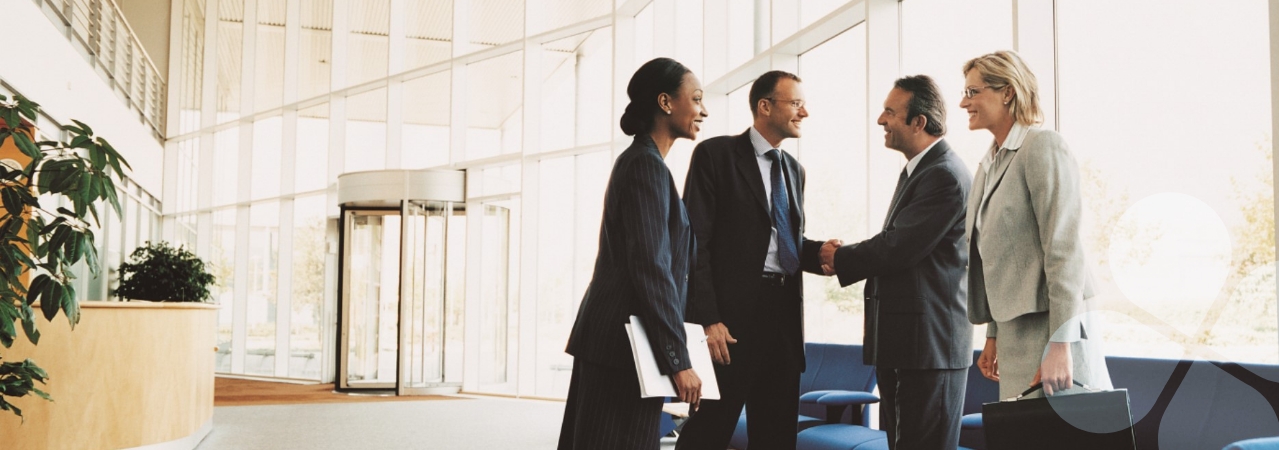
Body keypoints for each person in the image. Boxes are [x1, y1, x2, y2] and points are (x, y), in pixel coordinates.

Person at [676, 70, 834, 450]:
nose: (804, 112)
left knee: (776, 434)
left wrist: (823, 253)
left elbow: (784, 244)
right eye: (795, 103)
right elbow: (695, 242)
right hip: (730, 323)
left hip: (783, 319)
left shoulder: (794, 171)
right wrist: (708, 318)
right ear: (765, 106)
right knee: (709, 431)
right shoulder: (715, 155)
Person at [557, 57, 706, 450]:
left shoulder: (647, 163)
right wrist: (679, 360)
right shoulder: (646, 166)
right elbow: (651, 267)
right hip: (622, 349)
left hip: (622, 345)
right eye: (696, 98)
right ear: (665, 102)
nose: (703, 110)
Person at [818, 74, 973, 450]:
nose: (880, 120)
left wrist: (838, 257)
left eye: (890, 111)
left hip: (928, 348)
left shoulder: (944, 174)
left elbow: (898, 248)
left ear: (918, 122)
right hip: (907, 346)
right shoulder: (921, 170)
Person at [960, 50, 1112, 401]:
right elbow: (998, 258)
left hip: (1053, 327)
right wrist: (993, 333)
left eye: (972, 92)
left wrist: (1061, 343)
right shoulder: (989, 165)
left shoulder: (1042, 146)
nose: (962, 102)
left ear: (1007, 92)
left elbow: (1064, 251)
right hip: (1015, 331)